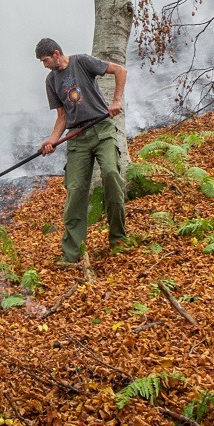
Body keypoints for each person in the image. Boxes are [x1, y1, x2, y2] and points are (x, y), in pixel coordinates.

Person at [34, 38, 127, 263]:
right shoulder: (51, 81)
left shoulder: (82, 62)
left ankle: (119, 240)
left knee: (111, 174)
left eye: (45, 60)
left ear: (56, 53)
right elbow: (62, 117)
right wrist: (52, 141)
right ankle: (72, 253)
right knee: (75, 190)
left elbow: (120, 70)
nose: (44, 65)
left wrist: (116, 101)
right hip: (77, 140)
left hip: (102, 130)